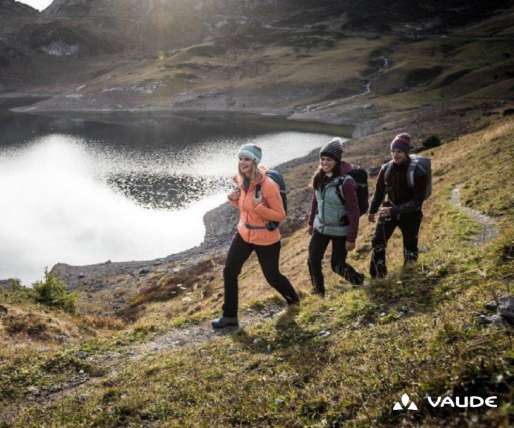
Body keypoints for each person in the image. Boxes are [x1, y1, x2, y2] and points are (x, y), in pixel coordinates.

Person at [212, 143, 300, 329]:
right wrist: (234, 200)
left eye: (247, 159)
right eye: (241, 158)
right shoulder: (241, 180)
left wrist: (260, 206)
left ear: (255, 161)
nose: (243, 162)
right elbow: (245, 209)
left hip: (265, 238)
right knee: (230, 271)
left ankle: (294, 300)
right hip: (244, 234)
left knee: (272, 277)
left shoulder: (268, 185)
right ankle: (229, 317)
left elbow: (280, 215)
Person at [307, 138, 364, 297]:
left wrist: (351, 238)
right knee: (312, 260)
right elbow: (315, 201)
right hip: (321, 227)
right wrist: (311, 222)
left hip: (340, 230)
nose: (324, 163)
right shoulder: (319, 177)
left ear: (337, 161)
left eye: (329, 160)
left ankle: (359, 281)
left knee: (337, 265)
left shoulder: (346, 182)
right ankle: (319, 293)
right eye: (322, 159)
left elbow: (354, 211)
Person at [368, 133, 427, 278]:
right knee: (377, 242)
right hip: (389, 209)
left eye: (399, 151)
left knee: (410, 246)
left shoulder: (418, 172)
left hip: (411, 214)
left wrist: (393, 211)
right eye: (393, 151)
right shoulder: (386, 169)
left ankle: (409, 275)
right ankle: (378, 277)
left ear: (406, 152)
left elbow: (417, 201)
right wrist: (372, 211)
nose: (395, 155)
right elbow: (379, 191)